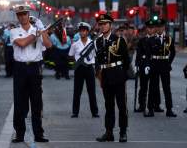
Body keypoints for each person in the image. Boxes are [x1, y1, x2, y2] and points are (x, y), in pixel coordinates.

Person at [10, 5, 52, 143]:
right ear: (17, 17)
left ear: (29, 15)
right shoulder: (14, 31)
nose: (22, 17)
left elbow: (48, 45)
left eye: (24, 14)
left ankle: (38, 133)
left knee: (36, 103)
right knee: (19, 102)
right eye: (19, 15)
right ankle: (19, 133)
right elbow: (22, 44)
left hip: (34, 68)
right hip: (20, 68)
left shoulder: (37, 30)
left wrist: (43, 30)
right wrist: (35, 34)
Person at [94, 13, 129, 143]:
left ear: (110, 25)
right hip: (106, 76)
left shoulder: (118, 40)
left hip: (118, 74)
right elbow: (98, 60)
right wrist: (99, 74)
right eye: (101, 24)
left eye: (105, 24)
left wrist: (123, 75)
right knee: (108, 105)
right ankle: (109, 132)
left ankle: (123, 132)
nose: (102, 26)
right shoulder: (98, 41)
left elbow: (126, 60)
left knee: (121, 105)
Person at [144, 18, 176, 117]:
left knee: (167, 88)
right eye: (157, 27)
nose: (159, 29)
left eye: (161, 27)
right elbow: (148, 54)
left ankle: (169, 109)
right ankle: (150, 109)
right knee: (153, 87)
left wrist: (168, 62)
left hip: (164, 64)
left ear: (164, 27)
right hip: (154, 64)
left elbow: (173, 52)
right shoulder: (150, 40)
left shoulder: (169, 39)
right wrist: (147, 65)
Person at [69, 22, 99, 118]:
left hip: (89, 68)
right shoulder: (75, 44)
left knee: (92, 91)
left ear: (87, 32)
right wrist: (78, 61)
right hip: (79, 69)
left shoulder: (92, 43)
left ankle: (94, 112)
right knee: (77, 91)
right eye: (80, 31)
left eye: (84, 31)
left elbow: (95, 56)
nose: (82, 33)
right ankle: (75, 112)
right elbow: (71, 55)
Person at [135, 20, 161, 113]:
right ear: (146, 29)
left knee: (153, 87)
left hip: (154, 66)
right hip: (143, 66)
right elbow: (138, 54)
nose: (150, 30)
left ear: (154, 29)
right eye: (149, 28)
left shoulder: (157, 40)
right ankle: (141, 105)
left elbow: (157, 53)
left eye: (152, 28)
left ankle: (152, 106)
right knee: (143, 86)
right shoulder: (142, 40)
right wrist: (136, 65)